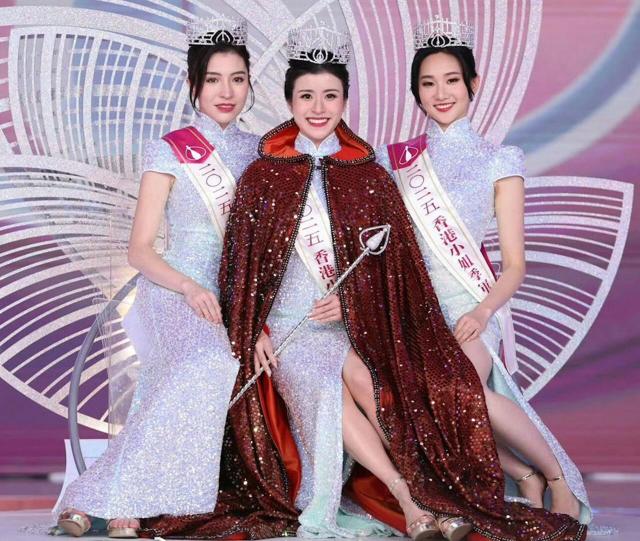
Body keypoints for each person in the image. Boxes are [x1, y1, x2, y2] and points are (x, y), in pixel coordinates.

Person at [143, 24, 587, 541]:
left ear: (346, 101)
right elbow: (244, 268)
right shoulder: (274, 174)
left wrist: (355, 304)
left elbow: (389, 263)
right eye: (306, 96)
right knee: (355, 385)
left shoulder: (375, 172)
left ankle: (514, 481)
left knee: (413, 384)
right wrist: (256, 328)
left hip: (406, 317)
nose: (318, 107)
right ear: (287, 100)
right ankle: (418, 495)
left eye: (330, 95)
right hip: (318, 326)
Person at [347, 14, 590, 524]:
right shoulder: (395, 161)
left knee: (458, 389)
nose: (441, 94)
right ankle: (521, 473)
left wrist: (482, 313)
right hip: (412, 312)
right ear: (416, 91)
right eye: (428, 84)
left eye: (452, 81)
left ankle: (558, 479)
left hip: (469, 306)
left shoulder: (500, 160)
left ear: (473, 84)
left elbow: (515, 265)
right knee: (411, 399)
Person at [53, 17, 259, 538]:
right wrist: (188, 286)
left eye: (237, 79)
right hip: (173, 289)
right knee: (206, 361)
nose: (226, 92)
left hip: (234, 296)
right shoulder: (169, 148)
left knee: (183, 377)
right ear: (193, 85)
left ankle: (96, 496)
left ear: (250, 84)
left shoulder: (262, 151)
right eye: (213, 80)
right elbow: (140, 249)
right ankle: (125, 499)